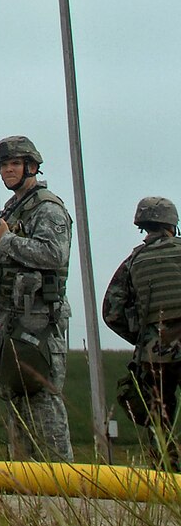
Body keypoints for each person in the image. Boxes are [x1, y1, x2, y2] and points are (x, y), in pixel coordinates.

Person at [0, 135, 74, 462]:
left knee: (42, 398)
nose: (8, 170)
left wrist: (5, 240)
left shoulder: (47, 207)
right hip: (12, 318)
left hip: (39, 320)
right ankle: (25, 485)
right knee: (16, 399)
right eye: (4, 165)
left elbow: (53, 254)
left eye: (15, 164)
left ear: (31, 166)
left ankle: (62, 481)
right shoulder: (14, 208)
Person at [102, 195, 181, 469]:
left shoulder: (133, 260)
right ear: (172, 225)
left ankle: (166, 478)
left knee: (160, 420)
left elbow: (111, 312)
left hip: (153, 355)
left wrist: (144, 336)